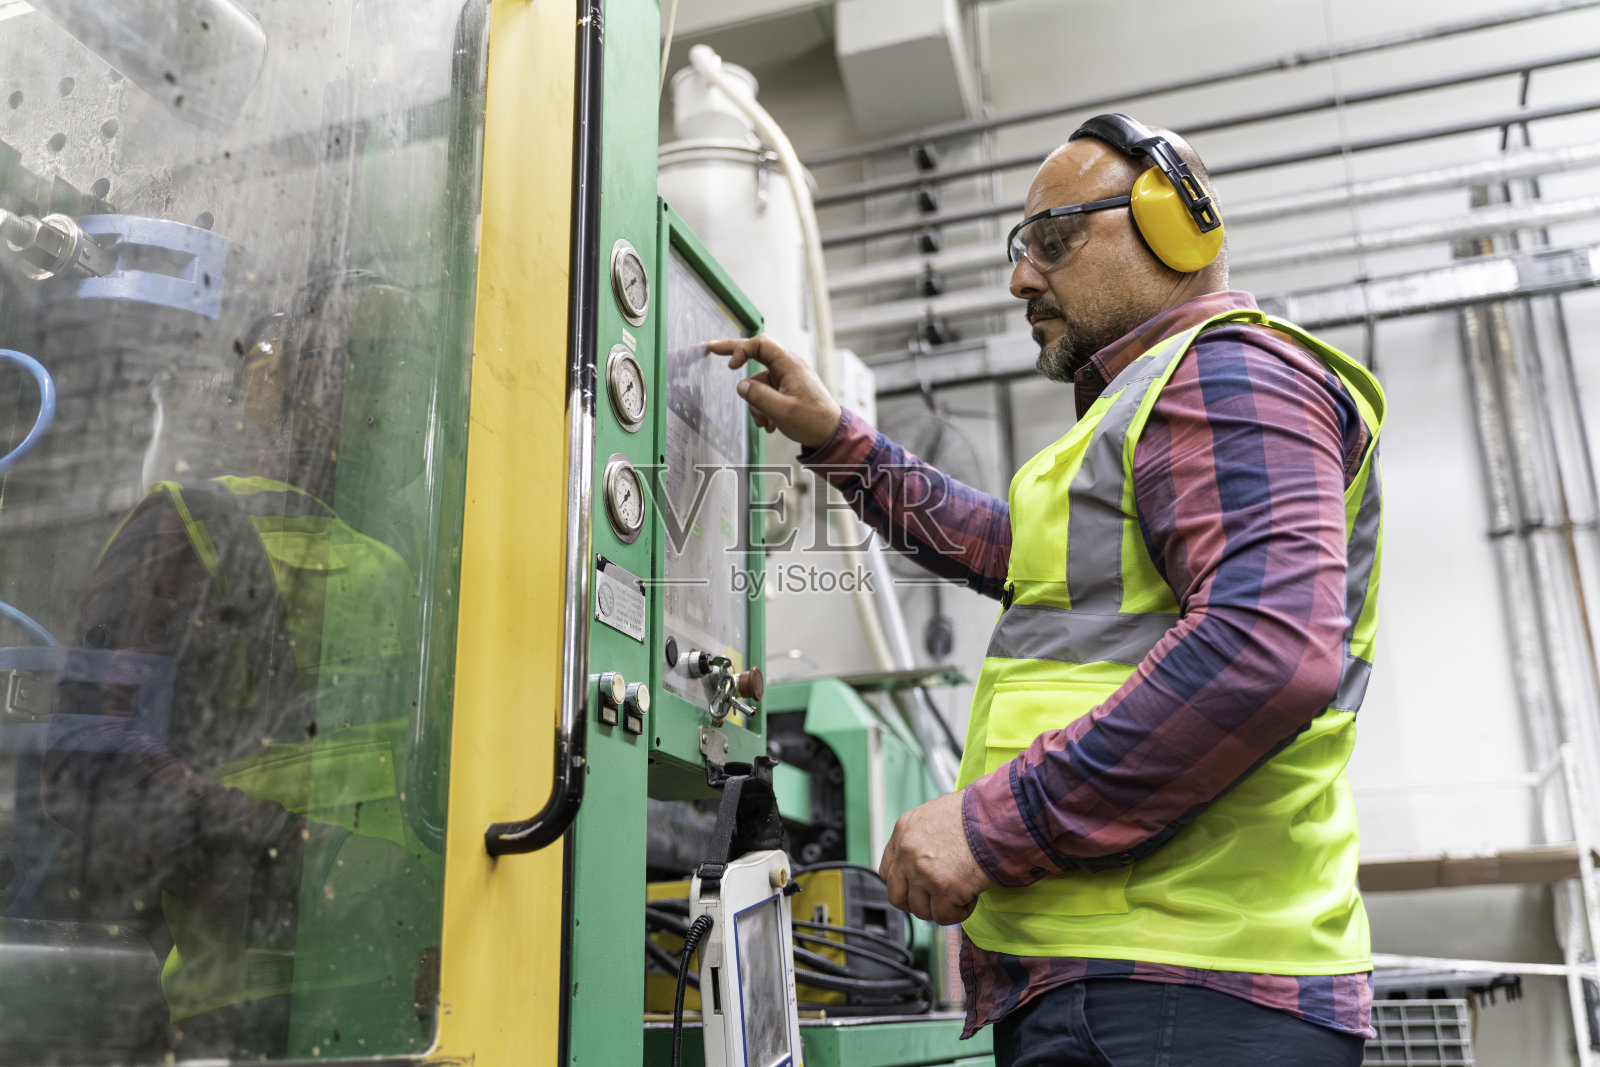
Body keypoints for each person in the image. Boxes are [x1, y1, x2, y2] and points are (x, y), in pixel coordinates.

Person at [710, 113, 1384, 1066]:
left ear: (1172, 227)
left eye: (1053, 240)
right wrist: (838, 439)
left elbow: (1266, 649)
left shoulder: (1229, 373)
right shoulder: (1144, 410)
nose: (1023, 276)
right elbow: (1005, 546)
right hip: (1125, 978)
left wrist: (989, 824)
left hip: (1185, 985)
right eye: (1020, 250)